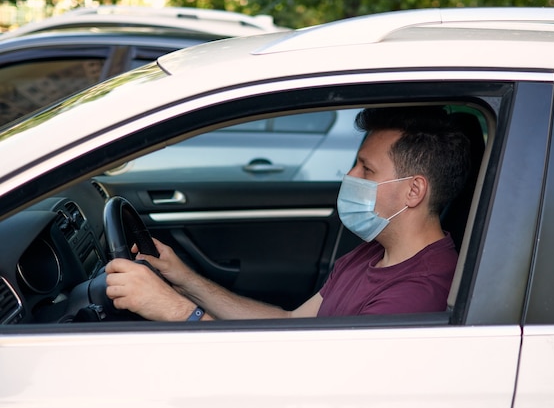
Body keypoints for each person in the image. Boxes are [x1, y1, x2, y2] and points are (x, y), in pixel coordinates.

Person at [105, 106, 471, 321]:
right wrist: (182, 277)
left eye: (366, 169)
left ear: (414, 190)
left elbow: (301, 379)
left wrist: (174, 310)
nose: (349, 176)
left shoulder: (416, 296)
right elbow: (291, 324)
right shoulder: (375, 253)